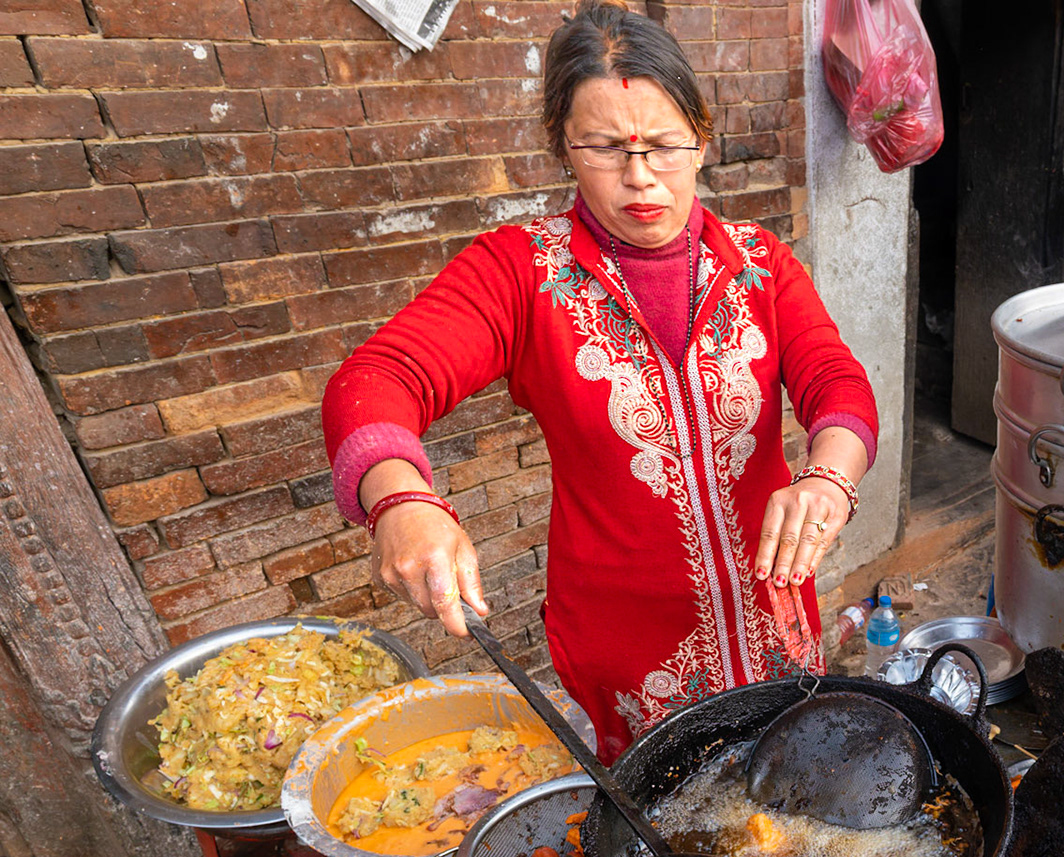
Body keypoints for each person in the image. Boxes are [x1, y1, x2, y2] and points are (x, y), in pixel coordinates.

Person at [322, 1, 878, 762]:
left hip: (772, 616)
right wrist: (400, 498)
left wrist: (828, 481)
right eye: (606, 148)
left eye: (663, 145)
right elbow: (379, 377)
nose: (640, 177)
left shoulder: (760, 264)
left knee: (790, 804)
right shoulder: (519, 273)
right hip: (629, 649)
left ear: (702, 141)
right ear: (563, 148)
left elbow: (835, 380)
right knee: (665, 837)